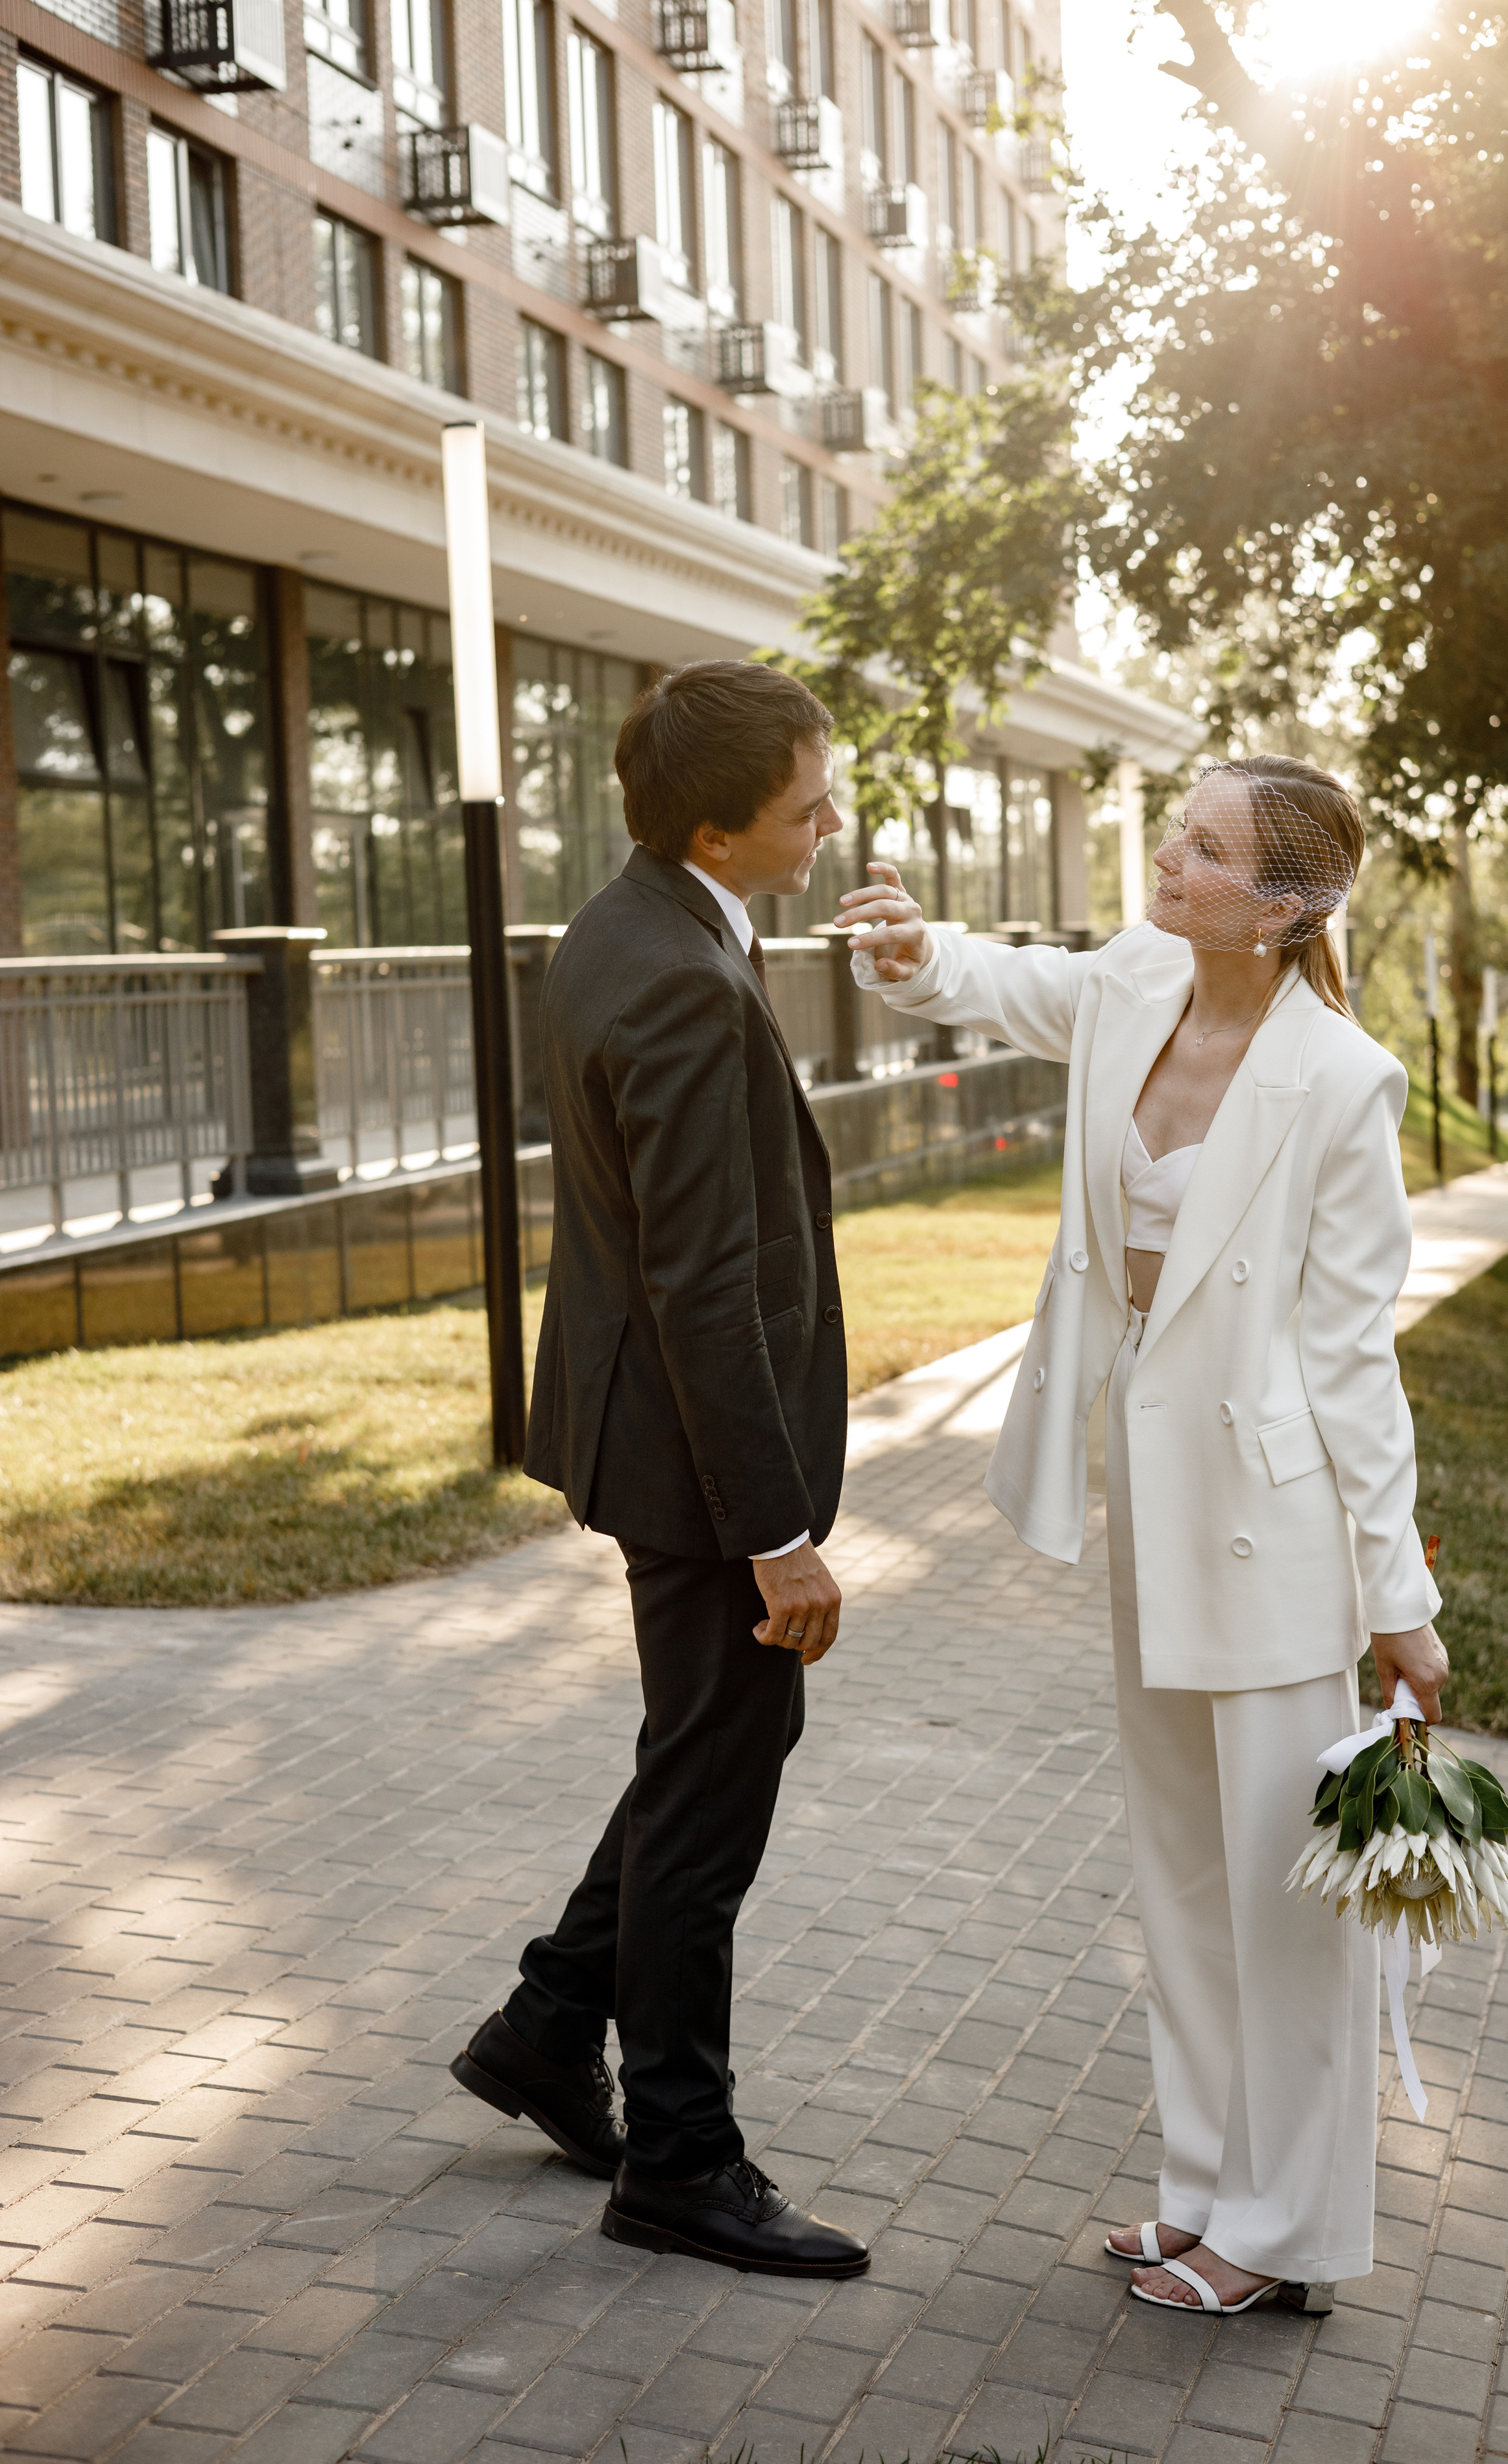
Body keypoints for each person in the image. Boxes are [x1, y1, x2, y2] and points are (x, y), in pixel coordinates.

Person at [834, 757, 1448, 2319]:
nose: (1166, 857)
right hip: (1148, 1511)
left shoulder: (1343, 1083)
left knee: (1278, 1902)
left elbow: (1353, 1359)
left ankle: (1285, 2231)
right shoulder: (1134, 980)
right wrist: (918, 955)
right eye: (1174, 830)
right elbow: (1011, 981)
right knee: (1180, 1874)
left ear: (1286, 904)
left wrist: (1399, 1597)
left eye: (1204, 847)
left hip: (1278, 1537)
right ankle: (1202, 2191)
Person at [451, 659, 868, 2281]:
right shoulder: (686, 979)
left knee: (694, 1755)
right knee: (711, 1799)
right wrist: (775, 1534)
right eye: (805, 810)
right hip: (701, 1464)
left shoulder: (620, 923)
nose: (828, 827)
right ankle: (681, 2161)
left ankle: (549, 2028)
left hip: (645, 1427)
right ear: (717, 823)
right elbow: (702, 1275)